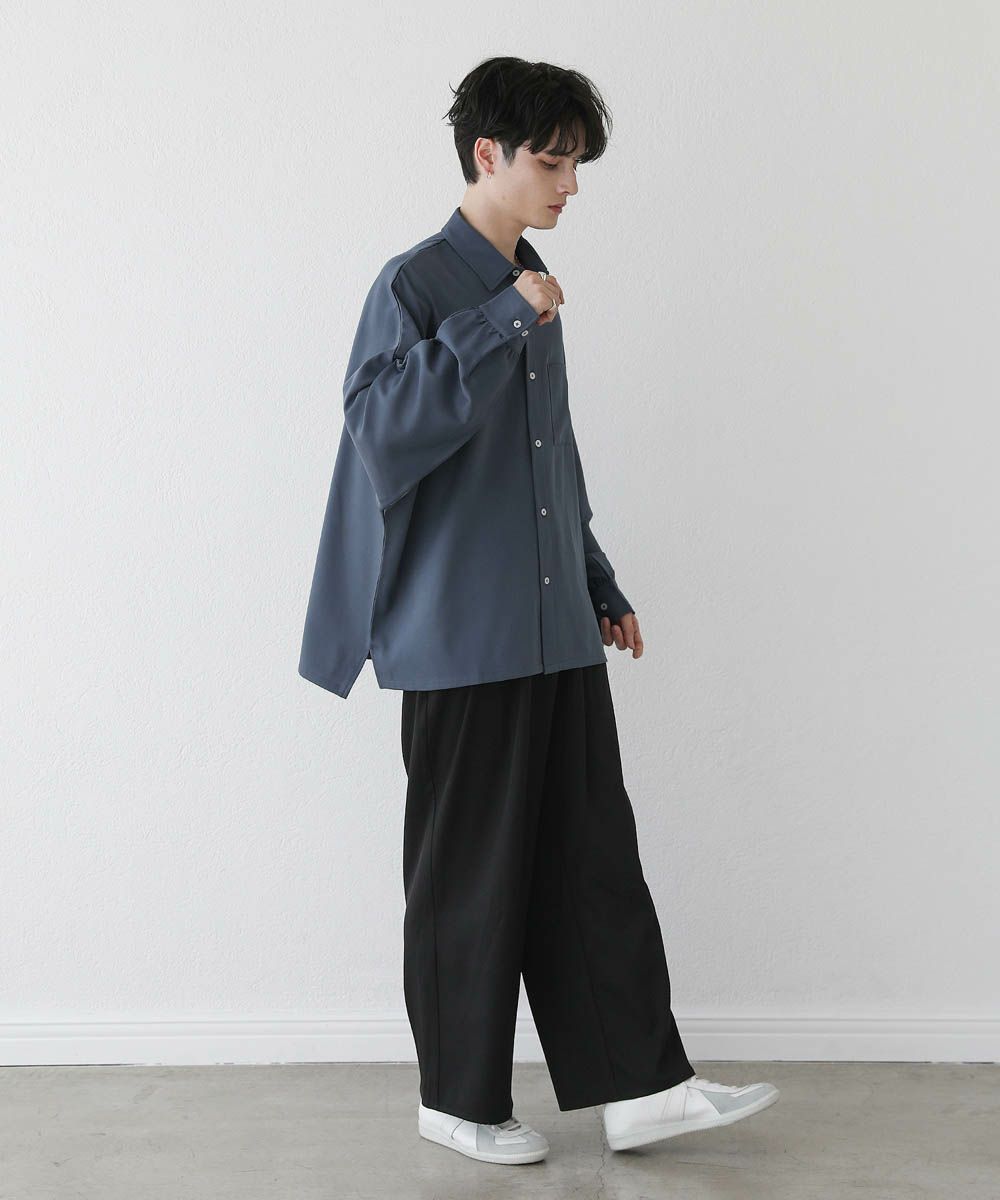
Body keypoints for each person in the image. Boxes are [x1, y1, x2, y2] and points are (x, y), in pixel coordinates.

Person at [298, 56, 779, 1165]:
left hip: (555, 629)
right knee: (469, 878)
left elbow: (544, 456)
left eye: (576, 165)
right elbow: (381, 431)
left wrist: (596, 578)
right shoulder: (419, 284)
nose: (570, 185)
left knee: (592, 861)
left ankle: (643, 1089)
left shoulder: (534, 278)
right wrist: (499, 320)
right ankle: (457, 1100)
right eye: (554, 162)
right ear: (489, 154)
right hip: (461, 639)